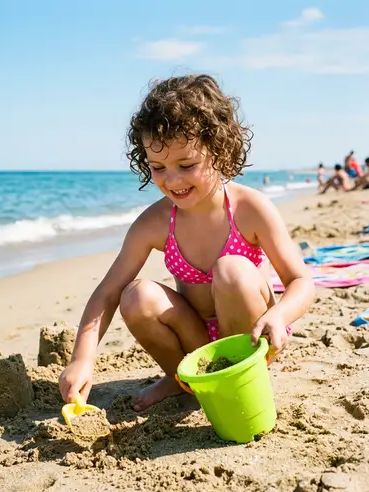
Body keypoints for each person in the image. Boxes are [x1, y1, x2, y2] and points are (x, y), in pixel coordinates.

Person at [59, 74, 315, 411]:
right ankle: (182, 378)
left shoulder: (249, 209)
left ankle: (239, 376)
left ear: (219, 150)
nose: (172, 180)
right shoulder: (155, 222)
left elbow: (301, 282)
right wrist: (82, 357)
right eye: (158, 167)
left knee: (232, 270)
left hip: (249, 335)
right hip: (193, 341)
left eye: (187, 164)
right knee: (136, 295)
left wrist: (280, 315)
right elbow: (107, 293)